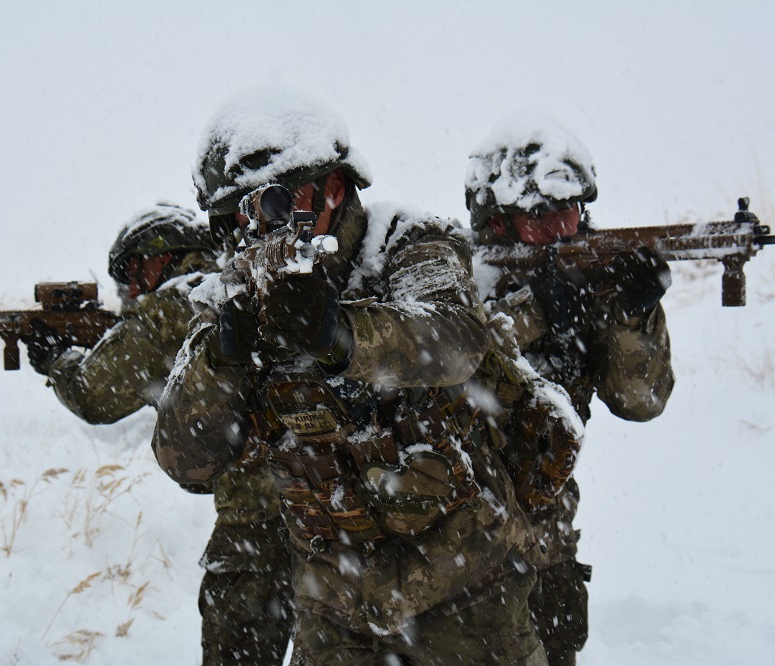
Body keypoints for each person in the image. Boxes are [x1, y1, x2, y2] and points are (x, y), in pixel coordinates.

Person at [153, 88, 550, 665]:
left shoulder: (405, 243)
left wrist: (343, 337)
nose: (256, 230)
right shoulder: (234, 294)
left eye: (271, 203)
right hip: (333, 601)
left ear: (334, 188)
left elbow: (455, 340)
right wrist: (221, 362)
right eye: (234, 216)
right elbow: (184, 460)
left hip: (465, 585)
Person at [24, 202, 294, 666]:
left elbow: (95, 395)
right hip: (327, 503)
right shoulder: (239, 283)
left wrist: (57, 359)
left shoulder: (175, 305)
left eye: (132, 272)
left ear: (161, 257)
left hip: (261, 517)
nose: (130, 289)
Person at [464, 121, 676, 666]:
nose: (563, 228)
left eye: (572, 210)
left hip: (547, 548)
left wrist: (633, 313)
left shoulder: (587, 277)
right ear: (498, 220)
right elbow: (453, 373)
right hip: (460, 558)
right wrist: (538, 309)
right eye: (539, 216)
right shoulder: (458, 278)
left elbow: (641, 401)